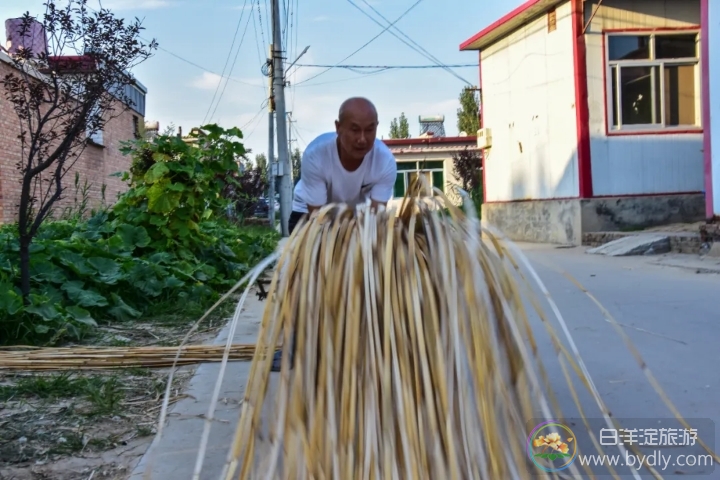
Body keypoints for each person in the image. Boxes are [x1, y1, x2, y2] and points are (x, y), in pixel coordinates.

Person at [271, 96, 398, 371]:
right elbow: (320, 220)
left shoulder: (385, 163)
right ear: (338, 127)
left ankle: (364, 341)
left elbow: (375, 218)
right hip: (310, 214)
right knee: (301, 273)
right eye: (354, 129)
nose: (363, 139)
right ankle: (292, 343)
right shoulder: (316, 155)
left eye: (370, 129)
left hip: (357, 218)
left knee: (371, 271)